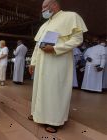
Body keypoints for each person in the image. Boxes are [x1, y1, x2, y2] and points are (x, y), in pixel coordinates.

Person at [28, 0, 87, 133]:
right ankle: (38, 114)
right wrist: (33, 62)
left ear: (54, 5)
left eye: (44, 7)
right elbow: (38, 46)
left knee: (55, 90)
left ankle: (54, 121)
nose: (42, 10)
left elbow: (77, 39)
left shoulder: (71, 16)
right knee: (40, 88)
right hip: (42, 62)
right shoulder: (45, 25)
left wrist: (56, 48)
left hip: (58, 61)